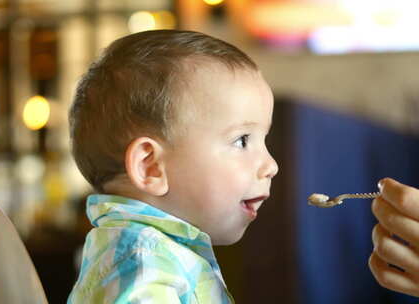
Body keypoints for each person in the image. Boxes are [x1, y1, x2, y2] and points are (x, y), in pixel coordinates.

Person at [67, 30, 278, 303]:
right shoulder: (144, 263)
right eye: (241, 140)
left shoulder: (154, 254)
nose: (270, 166)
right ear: (151, 166)